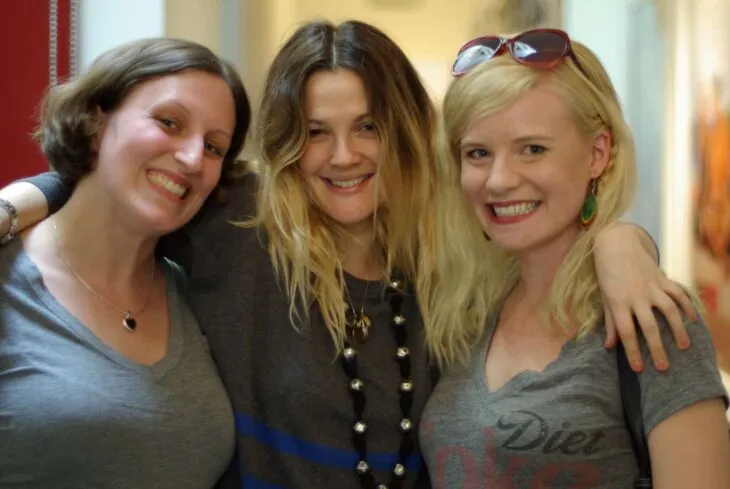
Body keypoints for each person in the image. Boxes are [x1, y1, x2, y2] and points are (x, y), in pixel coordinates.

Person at [0, 21, 695, 489]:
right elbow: (128, 181)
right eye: (315, 132)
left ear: (404, 131)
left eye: (368, 126)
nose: (343, 156)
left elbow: (549, 231)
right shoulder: (240, 225)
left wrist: (620, 242)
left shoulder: (449, 258)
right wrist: (20, 200)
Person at [418, 28, 730, 488]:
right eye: (478, 153)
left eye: (532, 149)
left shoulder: (654, 319)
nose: (498, 180)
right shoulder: (465, 313)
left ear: (597, 154)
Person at [0, 38, 251, 488]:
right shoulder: (9, 281)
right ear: (96, 123)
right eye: (169, 122)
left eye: (214, 147)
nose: (193, 158)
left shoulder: (198, 293)